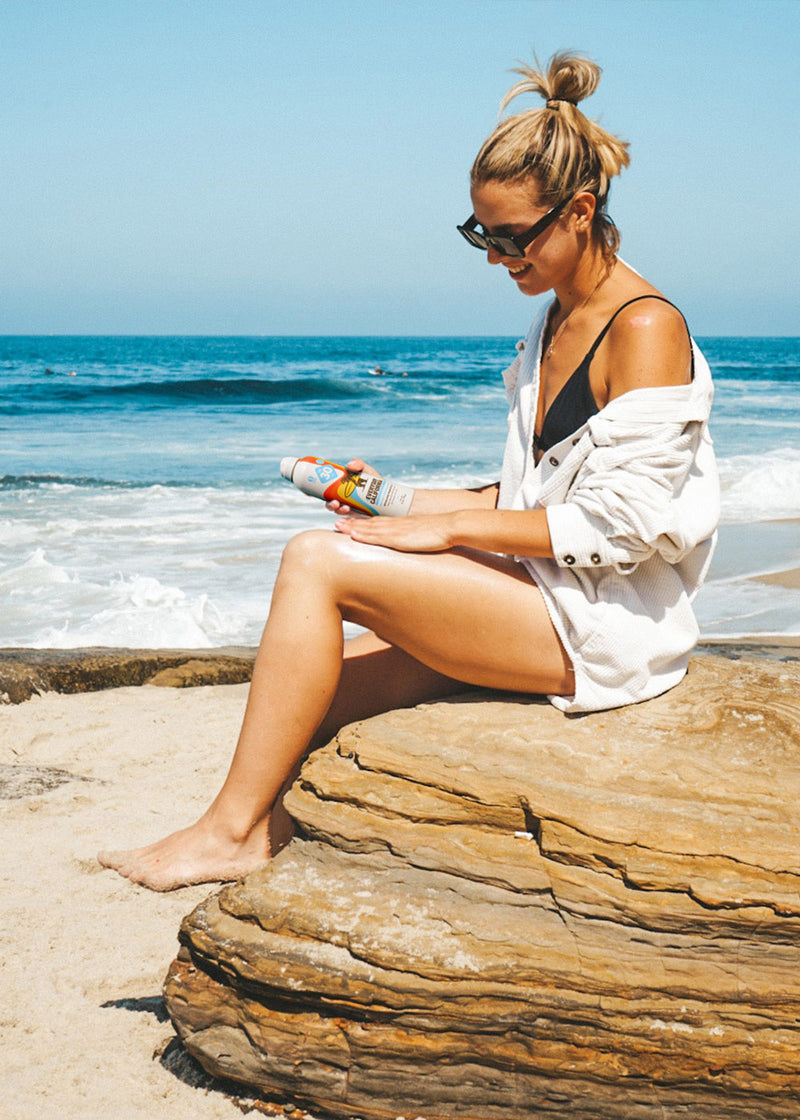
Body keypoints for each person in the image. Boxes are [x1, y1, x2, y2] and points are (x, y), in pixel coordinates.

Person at [99, 51, 719, 892]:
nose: (497, 257)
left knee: (316, 561)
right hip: (543, 591)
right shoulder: (555, 317)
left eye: (511, 237)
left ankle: (225, 832)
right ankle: (266, 832)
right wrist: (395, 499)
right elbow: (534, 494)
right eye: (480, 235)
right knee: (326, 688)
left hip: (606, 627)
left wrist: (453, 528)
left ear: (579, 213)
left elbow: (620, 528)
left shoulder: (642, 329)